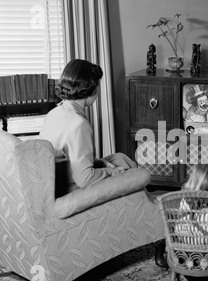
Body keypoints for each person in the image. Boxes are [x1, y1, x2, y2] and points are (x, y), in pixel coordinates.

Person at [39, 59, 137, 196]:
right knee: (133, 173)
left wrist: (100, 163)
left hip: (55, 183)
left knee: (120, 158)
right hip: (70, 189)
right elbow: (84, 179)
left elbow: (69, 159)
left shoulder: (53, 113)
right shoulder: (79, 124)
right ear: (91, 88)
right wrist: (111, 172)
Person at [155, 164, 208, 267]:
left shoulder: (186, 198)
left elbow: (179, 222)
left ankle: (167, 248)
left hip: (181, 245)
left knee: (171, 222)